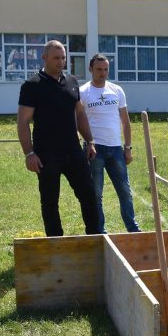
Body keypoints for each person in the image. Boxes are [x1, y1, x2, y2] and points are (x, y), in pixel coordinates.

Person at [16, 40, 100, 236]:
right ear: (44, 57)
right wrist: (29, 153)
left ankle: (95, 238)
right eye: (56, 58)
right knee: (50, 202)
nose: (61, 61)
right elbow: (23, 122)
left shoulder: (71, 82)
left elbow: (79, 114)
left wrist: (90, 141)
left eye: (63, 58)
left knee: (89, 196)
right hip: (46, 155)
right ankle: (55, 244)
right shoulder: (32, 85)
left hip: (73, 151)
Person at [79, 53, 141, 233]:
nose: (103, 73)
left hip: (115, 149)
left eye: (106, 69)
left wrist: (128, 147)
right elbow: (78, 120)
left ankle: (133, 228)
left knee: (125, 191)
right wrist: (86, 142)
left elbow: (125, 120)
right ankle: (100, 231)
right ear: (91, 69)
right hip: (94, 149)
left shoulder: (117, 90)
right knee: (96, 194)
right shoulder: (83, 92)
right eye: (99, 69)